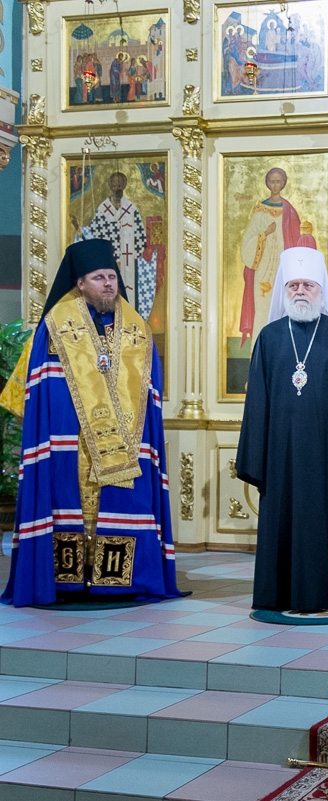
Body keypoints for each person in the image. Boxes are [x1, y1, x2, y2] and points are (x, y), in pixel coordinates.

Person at [2, 240, 180, 607]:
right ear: (80, 283)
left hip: (124, 446)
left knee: (122, 507)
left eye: (112, 277)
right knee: (66, 503)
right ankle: (66, 582)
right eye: (99, 278)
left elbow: (150, 391)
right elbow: (41, 388)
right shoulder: (56, 325)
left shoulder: (136, 329)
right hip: (67, 442)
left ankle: (121, 582)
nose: (108, 284)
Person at [236, 247, 328, 612]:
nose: (300, 291)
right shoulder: (269, 338)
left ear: (320, 290)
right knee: (283, 517)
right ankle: (279, 595)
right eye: (293, 285)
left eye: (308, 285)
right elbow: (257, 405)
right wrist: (255, 456)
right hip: (281, 454)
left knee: (327, 519)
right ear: (285, 289)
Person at [238, 167, 317, 346]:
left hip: (283, 267)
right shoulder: (260, 211)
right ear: (267, 183)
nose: (275, 185)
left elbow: (295, 240)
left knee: (284, 306)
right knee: (262, 308)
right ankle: (259, 349)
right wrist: (265, 234)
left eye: (278, 181)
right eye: (272, 181)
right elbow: (247, 241)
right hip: (263, 269)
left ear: (283, 184)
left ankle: (284, 349)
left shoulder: (289, 211)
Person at [82, 172, 154, 320]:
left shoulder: (131, 209)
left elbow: (141, 237)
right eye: (114, 185)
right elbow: (94, 234)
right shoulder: (103, 209)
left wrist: (133, 254)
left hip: (129, 262)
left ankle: (128, 320)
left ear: (125, 186)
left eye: (120, 185)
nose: (117, 188)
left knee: (128, 289)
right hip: (107, 262)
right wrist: (81, 230)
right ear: (110, 186)